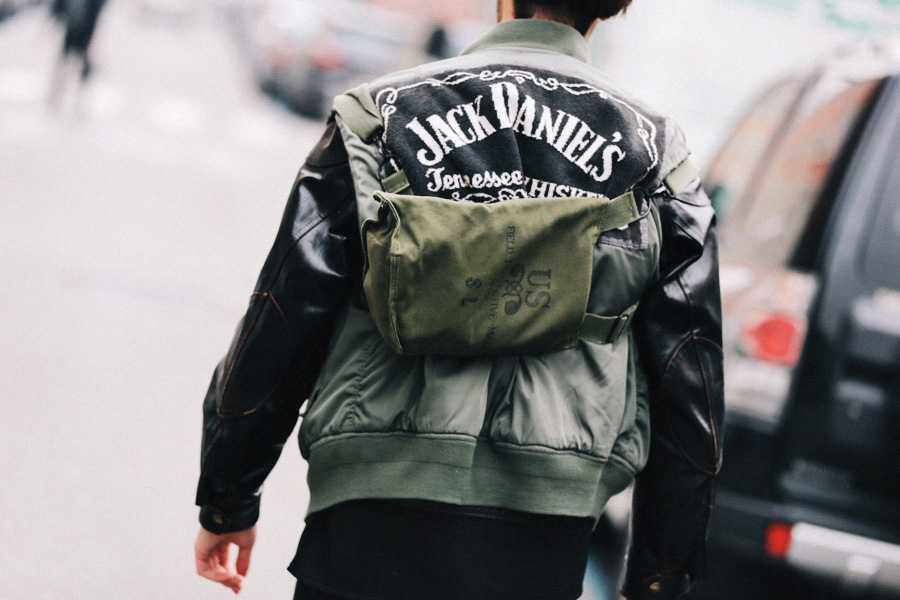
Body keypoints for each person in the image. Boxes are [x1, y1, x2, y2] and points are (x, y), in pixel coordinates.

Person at [194, 1, 724, 599]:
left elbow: (286, 313)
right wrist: (659, 573)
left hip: (365, 521)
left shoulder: (377, 116)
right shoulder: (658, 157)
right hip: (542, 537)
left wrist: (229, 497)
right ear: (608, 10)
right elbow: (690, 374)